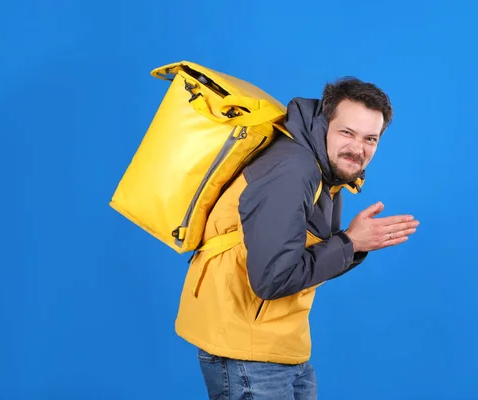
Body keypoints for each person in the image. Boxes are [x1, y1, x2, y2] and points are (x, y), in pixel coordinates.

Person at [174, 76, 419, 399]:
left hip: (280, 345)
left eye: (370, 139)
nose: (358, 149)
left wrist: (354, 244)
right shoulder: (292, 170)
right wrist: (350, 242)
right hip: (246, 351)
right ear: (324, 124)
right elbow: (273, 279)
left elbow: (304, 263)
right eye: (347, 132)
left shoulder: (325, 172)